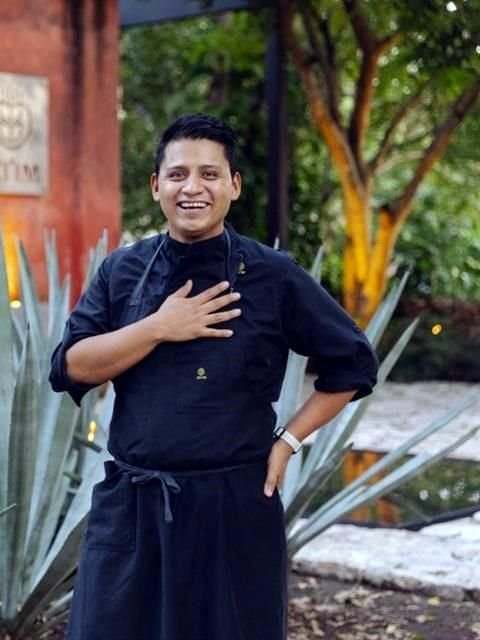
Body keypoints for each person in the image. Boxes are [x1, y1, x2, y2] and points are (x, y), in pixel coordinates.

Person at [49, 113, 379, 640]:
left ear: (234, 186)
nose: (193, 187)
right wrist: (158, 327)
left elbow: (354, 365)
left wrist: (288, 441)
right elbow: (69, 369)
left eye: (209, 174)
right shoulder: (122, 271)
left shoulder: (273, 275)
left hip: (235, 507)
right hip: (134, 507)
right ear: (157, 186)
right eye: (178, 174)